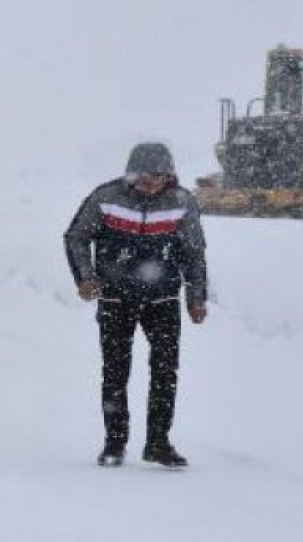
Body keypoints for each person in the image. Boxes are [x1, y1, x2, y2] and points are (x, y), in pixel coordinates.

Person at [64, 142, 208, 468]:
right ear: (132, 174)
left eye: (159, 176)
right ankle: (114, 444)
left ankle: (158, 443)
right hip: (115, 298)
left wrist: (195, 298)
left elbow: (194, 253)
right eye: (145, 177)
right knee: (115, 372)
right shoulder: (106, 198)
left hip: (163, 299)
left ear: (169, 175)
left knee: (165, 372)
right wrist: (85, 278)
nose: (152, 183)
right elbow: (75, 237)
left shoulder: (182, 202)